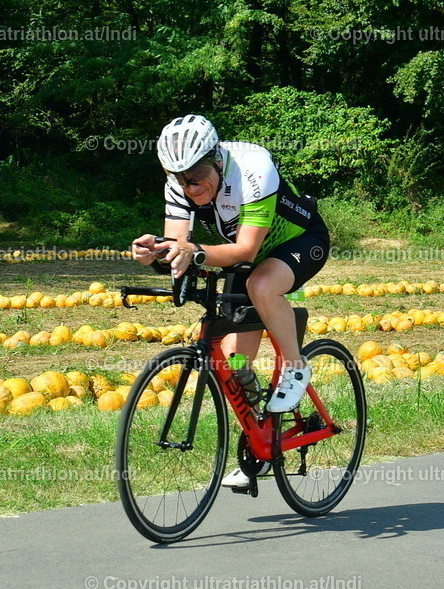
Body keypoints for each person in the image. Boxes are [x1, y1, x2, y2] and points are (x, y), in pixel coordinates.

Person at [130, 114, 330, 488]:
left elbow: (246, 248)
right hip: (243, 258)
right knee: (237, 361)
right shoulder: (179, 185)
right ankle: (263, 441)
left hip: (299, 242)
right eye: (180, 177)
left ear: (217, 157)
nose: (190, 185)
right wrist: (157, 253)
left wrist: (194, 251)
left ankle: (296, 367)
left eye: (197, 174)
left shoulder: (253, 168)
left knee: (262, 285)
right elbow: (180, 248)